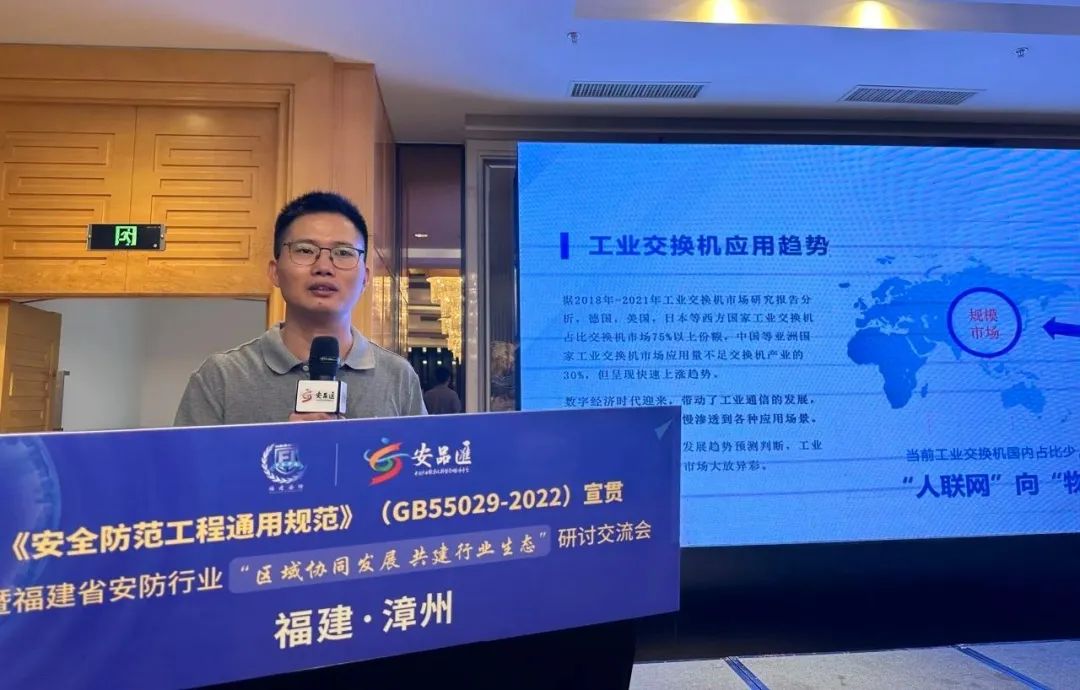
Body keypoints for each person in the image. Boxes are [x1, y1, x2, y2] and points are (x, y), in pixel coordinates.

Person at [174, 191, 425, 427]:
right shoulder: (221, 377)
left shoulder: (398, 377)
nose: (324, 267)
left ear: (365, 279)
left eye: (343, 252)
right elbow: (184, 461)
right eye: (305, 250)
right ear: (275, 272)